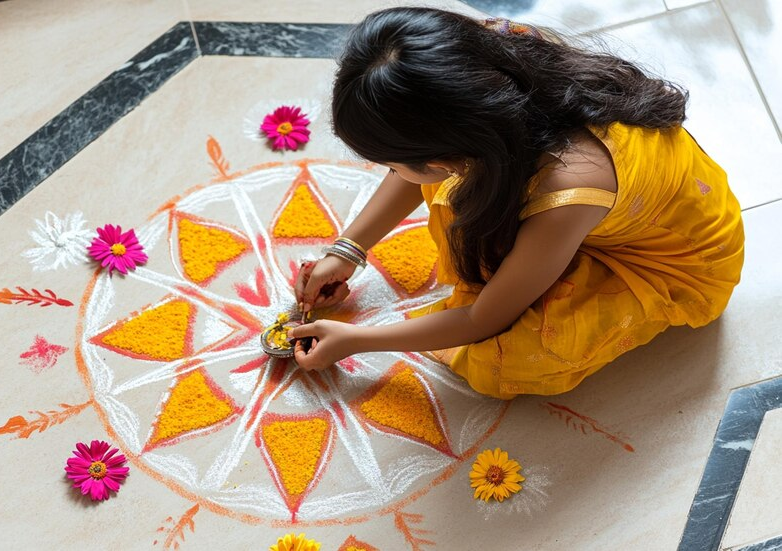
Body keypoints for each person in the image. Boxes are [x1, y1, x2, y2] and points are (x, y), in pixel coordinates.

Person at [288, 7, 745, 400]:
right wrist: (346, 251)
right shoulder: (494, 64)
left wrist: (356, 341)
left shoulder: (566, 192)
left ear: (448, 155)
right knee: (465, 209)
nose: (391, 171)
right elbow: (417, 172)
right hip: (599, 206)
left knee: (500, 362)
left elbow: (483, 318)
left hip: (675, 260)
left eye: (394, 161)